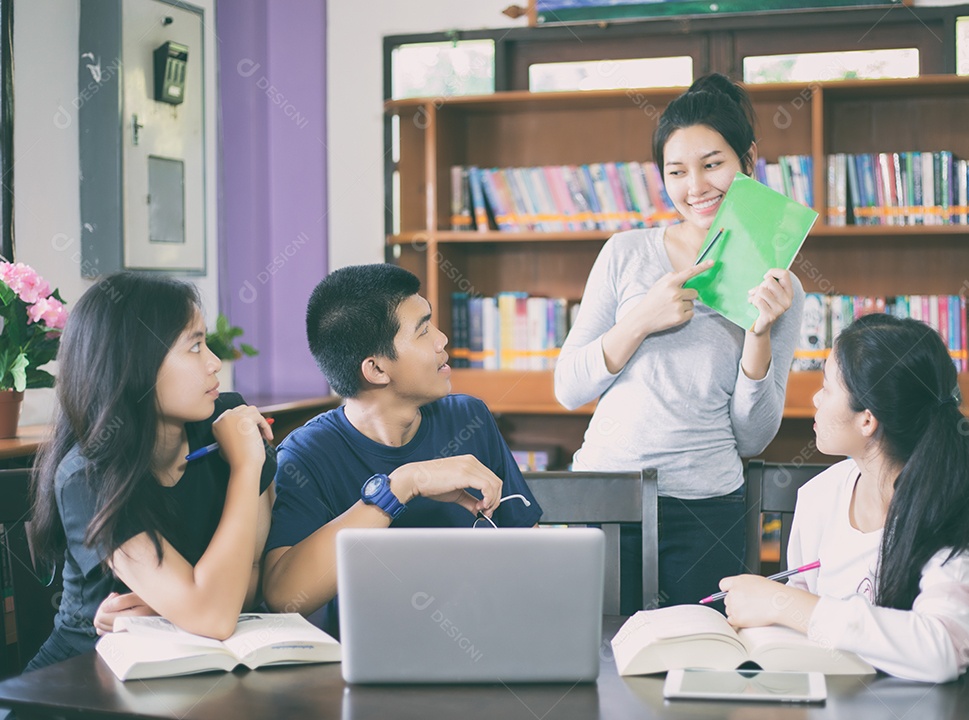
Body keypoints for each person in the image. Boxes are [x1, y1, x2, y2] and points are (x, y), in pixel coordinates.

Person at [554, 73, 804, 608]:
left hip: (708, 505)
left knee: (701, 665)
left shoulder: (779, 285)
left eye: (713, 164)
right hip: (607, 493)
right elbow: (568, 388)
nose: (696, 186)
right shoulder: (624, 253)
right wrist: (641, 318)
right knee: (596, 661)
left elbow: (752, 437)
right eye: (677, 171)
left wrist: (757, 333)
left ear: (748, 160)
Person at [718, 314, 969, 682]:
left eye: (826, 387)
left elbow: (945, 648)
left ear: (867, 420)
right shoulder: (819, 497)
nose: (815, 398)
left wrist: (787, 604)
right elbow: (803, 613)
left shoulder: (949, 513)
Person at [261, 264, 541, 632]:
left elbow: (531, 555)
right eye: (423, 330)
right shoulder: (307, 453)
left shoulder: (469, 418)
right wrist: (402, 485)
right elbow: (283, 596)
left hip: (480, 644)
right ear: (376, 369)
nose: (441, 339)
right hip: (357, 669)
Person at [25, 272, 276, 671]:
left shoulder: (229, 422)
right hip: (86, 677)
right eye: (194, 346)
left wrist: (177, 609)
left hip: (187, 663)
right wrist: (246, 469)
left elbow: (253, 576)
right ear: (132, 364)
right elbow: (213, 616)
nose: (214, 363)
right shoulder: (88, 475)